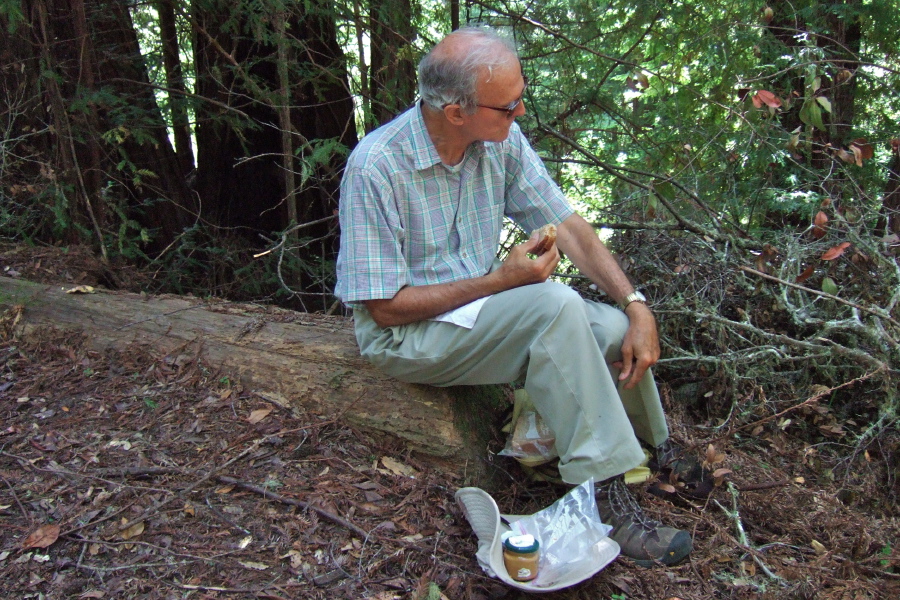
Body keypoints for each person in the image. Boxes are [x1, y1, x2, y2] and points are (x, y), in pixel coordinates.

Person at [335, 25, 701, 567]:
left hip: (475, 315)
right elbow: (384, 309)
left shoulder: (494, 143)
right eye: (508, 106)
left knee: (613, 330)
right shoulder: (377, 167)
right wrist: (501, 282)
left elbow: (569, 227)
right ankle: (602, 493)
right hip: (404, 336)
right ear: (456, 111)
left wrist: (636, 303)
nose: (521, 113)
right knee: (554, 307)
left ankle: (651, 446)